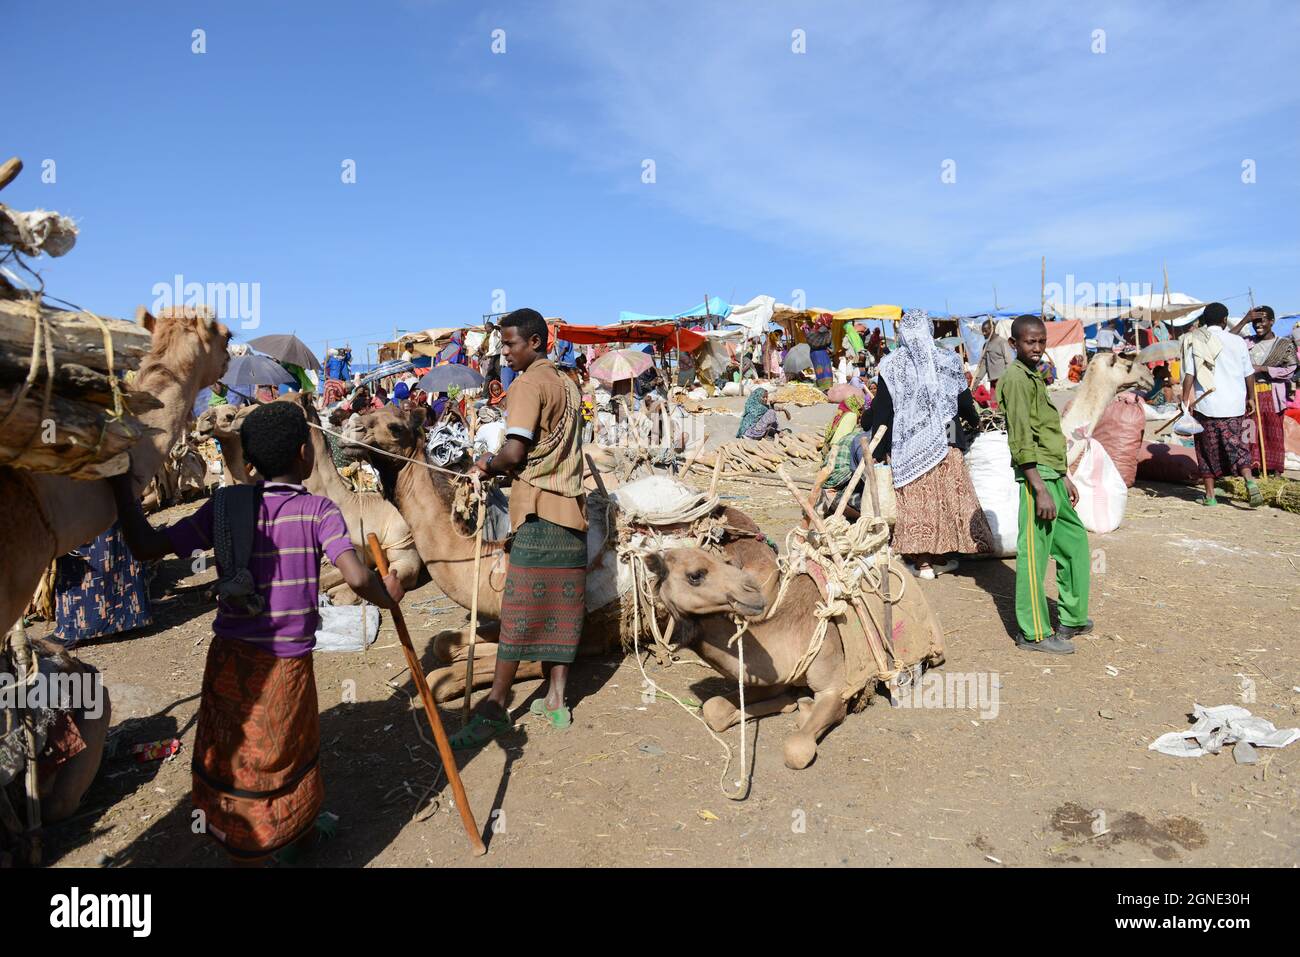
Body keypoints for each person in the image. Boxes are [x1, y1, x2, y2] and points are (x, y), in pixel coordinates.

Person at [108, 401, 402, 864]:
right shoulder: (317, 510)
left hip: (230, 658)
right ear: (306, 454)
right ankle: (287, 836)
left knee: (236, 754)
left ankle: (247, 845)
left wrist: (119, 487)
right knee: (287, 749)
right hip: (286, 664)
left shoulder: (224, 508)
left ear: (248, 459)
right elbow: (358, 578)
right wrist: (389, 592)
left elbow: (147, 546)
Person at [460, 308, 587, 747]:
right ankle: (555, 698)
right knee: (563, 611)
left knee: (517, 614)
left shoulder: (528, 385)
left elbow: (515, 453)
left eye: (510, 343)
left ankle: (496, 705)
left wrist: (484, 466)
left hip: (538, 515)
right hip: (573, 517)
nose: (504, 352)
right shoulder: (569, 384)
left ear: (535, 342)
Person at [870, 309, 992, 579]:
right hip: (946, 434)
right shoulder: (947, 359)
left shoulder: (891, 365)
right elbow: (962, 400)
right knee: (944, 497)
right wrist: (974, 421)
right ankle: (942, 556)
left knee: (917, 501)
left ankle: (923, 563)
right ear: (929, 330)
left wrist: (877, 449)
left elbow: (883, 410)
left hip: (908, 439)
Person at [997, 314, 1091, 654]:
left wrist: (1063, 475)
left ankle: (1072, 616)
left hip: (1052, 474)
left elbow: (1045, 431)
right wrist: (1038, 487)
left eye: (1040, 341)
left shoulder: (1033, 376)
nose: (1036, 348)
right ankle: (1033, 632)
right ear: (1014, 344)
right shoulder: (1016, 380)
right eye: (1029, 342)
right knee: (1035, 555)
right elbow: (1021, 437)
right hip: (1037, 478)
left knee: (1074, 543)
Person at [1178, 302, 1260, 506]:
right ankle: (1249, 481)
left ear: (1204, 320)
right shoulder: (1237, 341)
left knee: (1206, 451)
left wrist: (1185, 399)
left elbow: (1190, 373)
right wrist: (1250, 397)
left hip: (1206, 405)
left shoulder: (1195, 340)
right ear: (1225, 320)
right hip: (1234, 405)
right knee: (1238, 445)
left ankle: (1211, 496)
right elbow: (1248, 373)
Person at [1232, 305, 1297, 477]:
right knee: (1249, 432)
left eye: (1262, 321)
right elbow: (1226, 340)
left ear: (1272, 322)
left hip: (1271, 393)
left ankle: (1275, 471)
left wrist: (1263, 368)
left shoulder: (1283, 344)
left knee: (1272, 432)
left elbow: (1291, 368)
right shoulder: (1247, 342)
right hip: (1249, 394)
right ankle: (1252, 469)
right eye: (1255, 322)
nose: (1258, 325)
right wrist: (1245, 319)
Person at [973, 319, 1015, 393]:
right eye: (983, 331)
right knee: (994, 403)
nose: (983, 333)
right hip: (992, 380)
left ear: (992, 329)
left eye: (985, 331)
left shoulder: (1002, 342)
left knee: (1004, 402)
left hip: (1003, 380)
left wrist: (1006, 379)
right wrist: (977, 380)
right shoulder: (986, 346)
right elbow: (984, 365)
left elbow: (1009, 362)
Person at [803, 314, 834, 392]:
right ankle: (826, 387)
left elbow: (809, 337)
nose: (831, 323)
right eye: (830, 321)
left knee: (819, 369)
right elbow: (829, 342)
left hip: (814, 353)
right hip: (821, 352)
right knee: (825, 368)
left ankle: (822, 386)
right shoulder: (825, 329)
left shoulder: (814, 329)